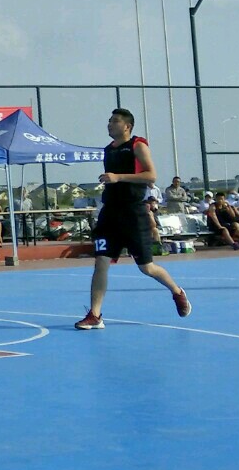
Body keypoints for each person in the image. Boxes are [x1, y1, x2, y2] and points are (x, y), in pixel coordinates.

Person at [75, 108, 190, 330]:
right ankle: (95, 315)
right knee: (101, 262)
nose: (110, 124)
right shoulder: (109, 150)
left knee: (147, 267)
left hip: (133, 214)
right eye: (109, 120)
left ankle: (177, 292)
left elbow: (151, 175)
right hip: (110, 214)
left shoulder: (138, 145)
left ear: (127, 126)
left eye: (115, 121)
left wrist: (118, 177)